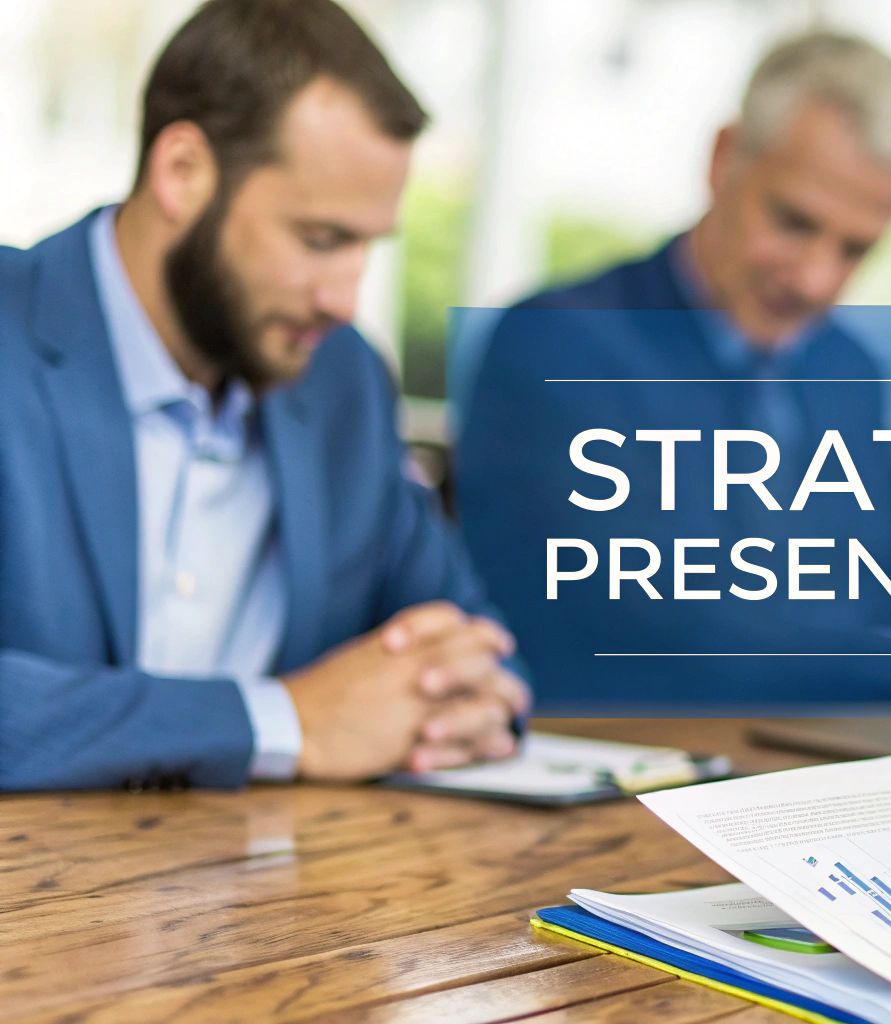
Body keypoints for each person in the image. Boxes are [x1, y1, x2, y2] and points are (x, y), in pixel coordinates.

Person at [0, 0, 527, 791]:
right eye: (320, 240)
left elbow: (471, 632)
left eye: (367, 246)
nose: (344, 300)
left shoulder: (343, 378)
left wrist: (475, 700)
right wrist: (283, 720)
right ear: (183, 173)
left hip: (278, 896)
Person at [454, 31, 891, 709]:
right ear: (724, 157)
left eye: (854, 249)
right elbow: (693, 636)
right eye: (793, 222)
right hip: (616, 765)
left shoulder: (847, 371)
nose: (815, 279)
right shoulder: (561, 348)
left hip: (808, 760)